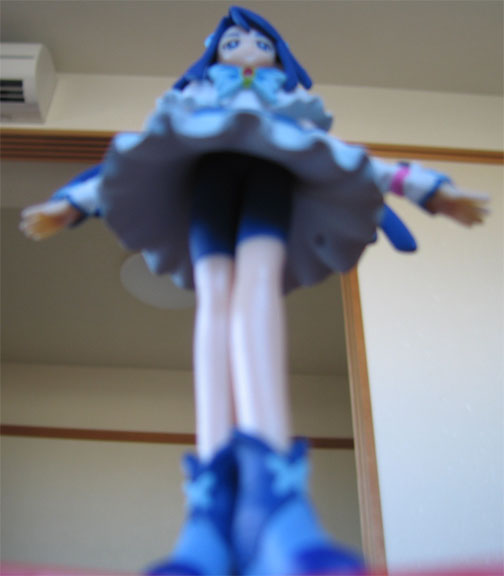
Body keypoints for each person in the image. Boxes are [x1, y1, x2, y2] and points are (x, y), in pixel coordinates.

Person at [19, 7, 487, 576]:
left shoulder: (286, 108)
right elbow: (131, 155)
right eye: (235, 40)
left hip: (274, 183)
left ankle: (274, 497)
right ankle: (211, 506)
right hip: (202, 184)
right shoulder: (194, 103)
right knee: (216, 295)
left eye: (261, 43)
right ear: (213, 50)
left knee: (257, 287)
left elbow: (354, 159)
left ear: (281, 57)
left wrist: (428, 188)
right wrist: (73, 203)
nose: (247, 49)